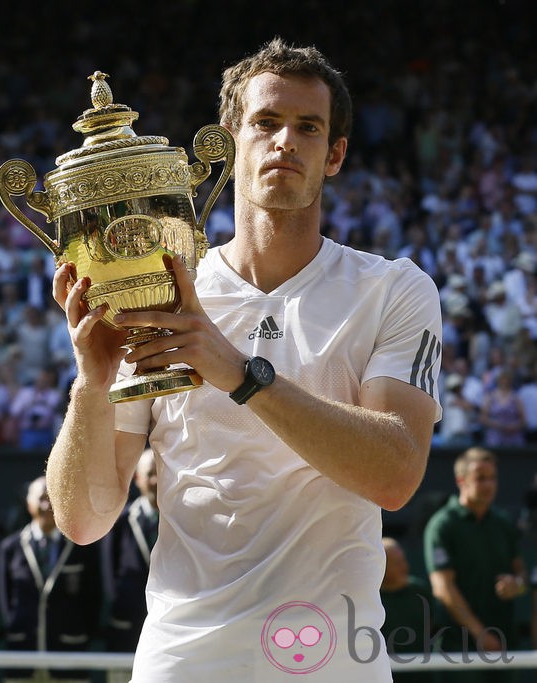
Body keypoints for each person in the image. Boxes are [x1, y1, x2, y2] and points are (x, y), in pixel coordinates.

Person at [46, 38, 442, 682]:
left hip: (331, 661)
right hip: (185, 658)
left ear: (334, 154)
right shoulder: (160, 292)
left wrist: (237, 372)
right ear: (229, 142)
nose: (285, 140)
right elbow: (84, 520)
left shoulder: (393, 288)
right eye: (265, 122)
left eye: (307, 127)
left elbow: (395, 474)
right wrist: (90, 383)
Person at [423, 448, 525, 682]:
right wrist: (481, 635)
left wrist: (516, 585)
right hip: (459, 648)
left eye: (493, 478)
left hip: (503, 644)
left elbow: (521, 575)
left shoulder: (503, 523)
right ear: (461, 480)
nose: (489, 485)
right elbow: (443, 588)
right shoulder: (443, 526)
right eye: (480, 478)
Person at [0, 476, 102, 683]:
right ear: (28, 503)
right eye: (41, 498)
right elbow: (4, 601)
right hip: (24, 655)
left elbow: (94, 599)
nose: (46, 505)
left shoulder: (82, 546)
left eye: (52, 498)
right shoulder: (10, 548)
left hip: (69, 655)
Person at [101, 449, 158, 683]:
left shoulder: (184, 519)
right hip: (127, 627)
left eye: (160, 473)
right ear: (138, 479)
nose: (156, 480)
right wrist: (117, 606)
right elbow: (108, 569)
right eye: (150, 474)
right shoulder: (121, 521)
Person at [380, 537, 434, 683]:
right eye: (396, 563)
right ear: (381, 566)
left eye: (403, 560)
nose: (404, 567)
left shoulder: (420, 591)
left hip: (421, 674)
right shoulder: (370, 599)